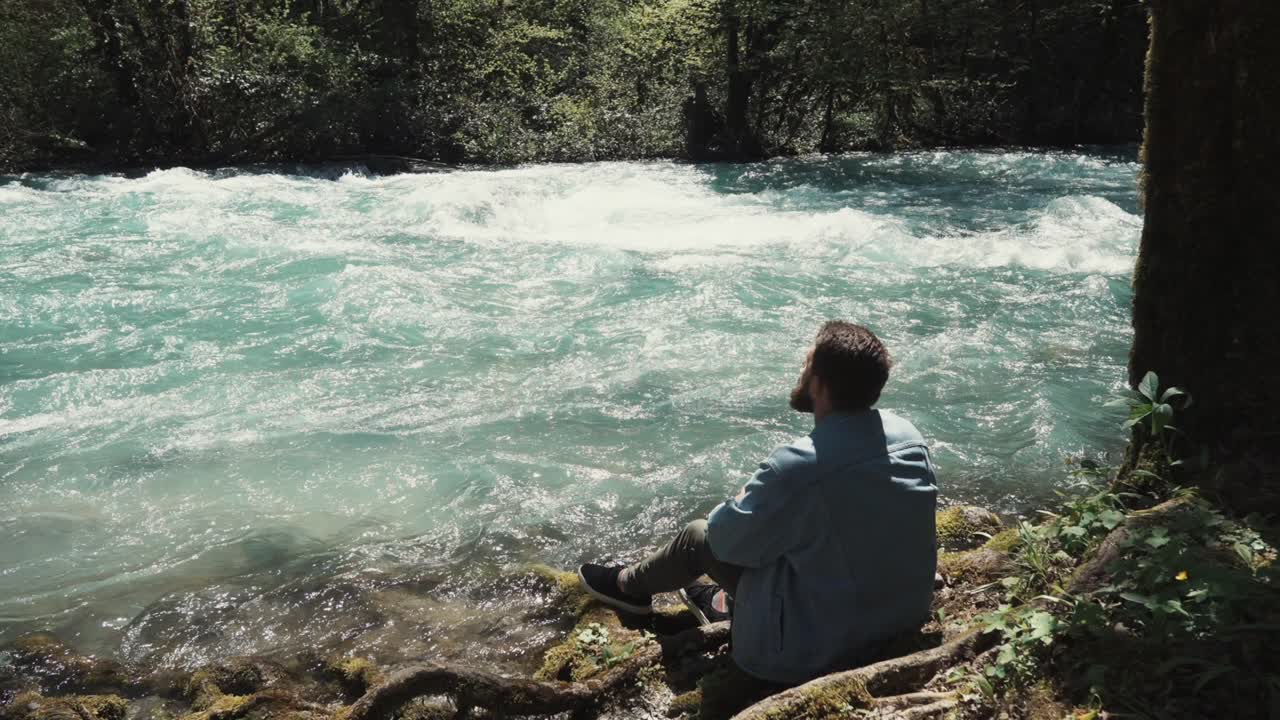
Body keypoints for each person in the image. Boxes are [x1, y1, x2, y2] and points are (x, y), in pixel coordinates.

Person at [578, 321, 938, 686]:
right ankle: (723, 603)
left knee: (699, 536)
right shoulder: (909, 437)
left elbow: (722, 540)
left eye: (806, 361)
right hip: (900, 620)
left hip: (807, 654)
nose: (801, 369)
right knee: (804, 536)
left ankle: (627, 587)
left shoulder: (799, 465)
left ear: (820, 383)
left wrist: (742, 500)